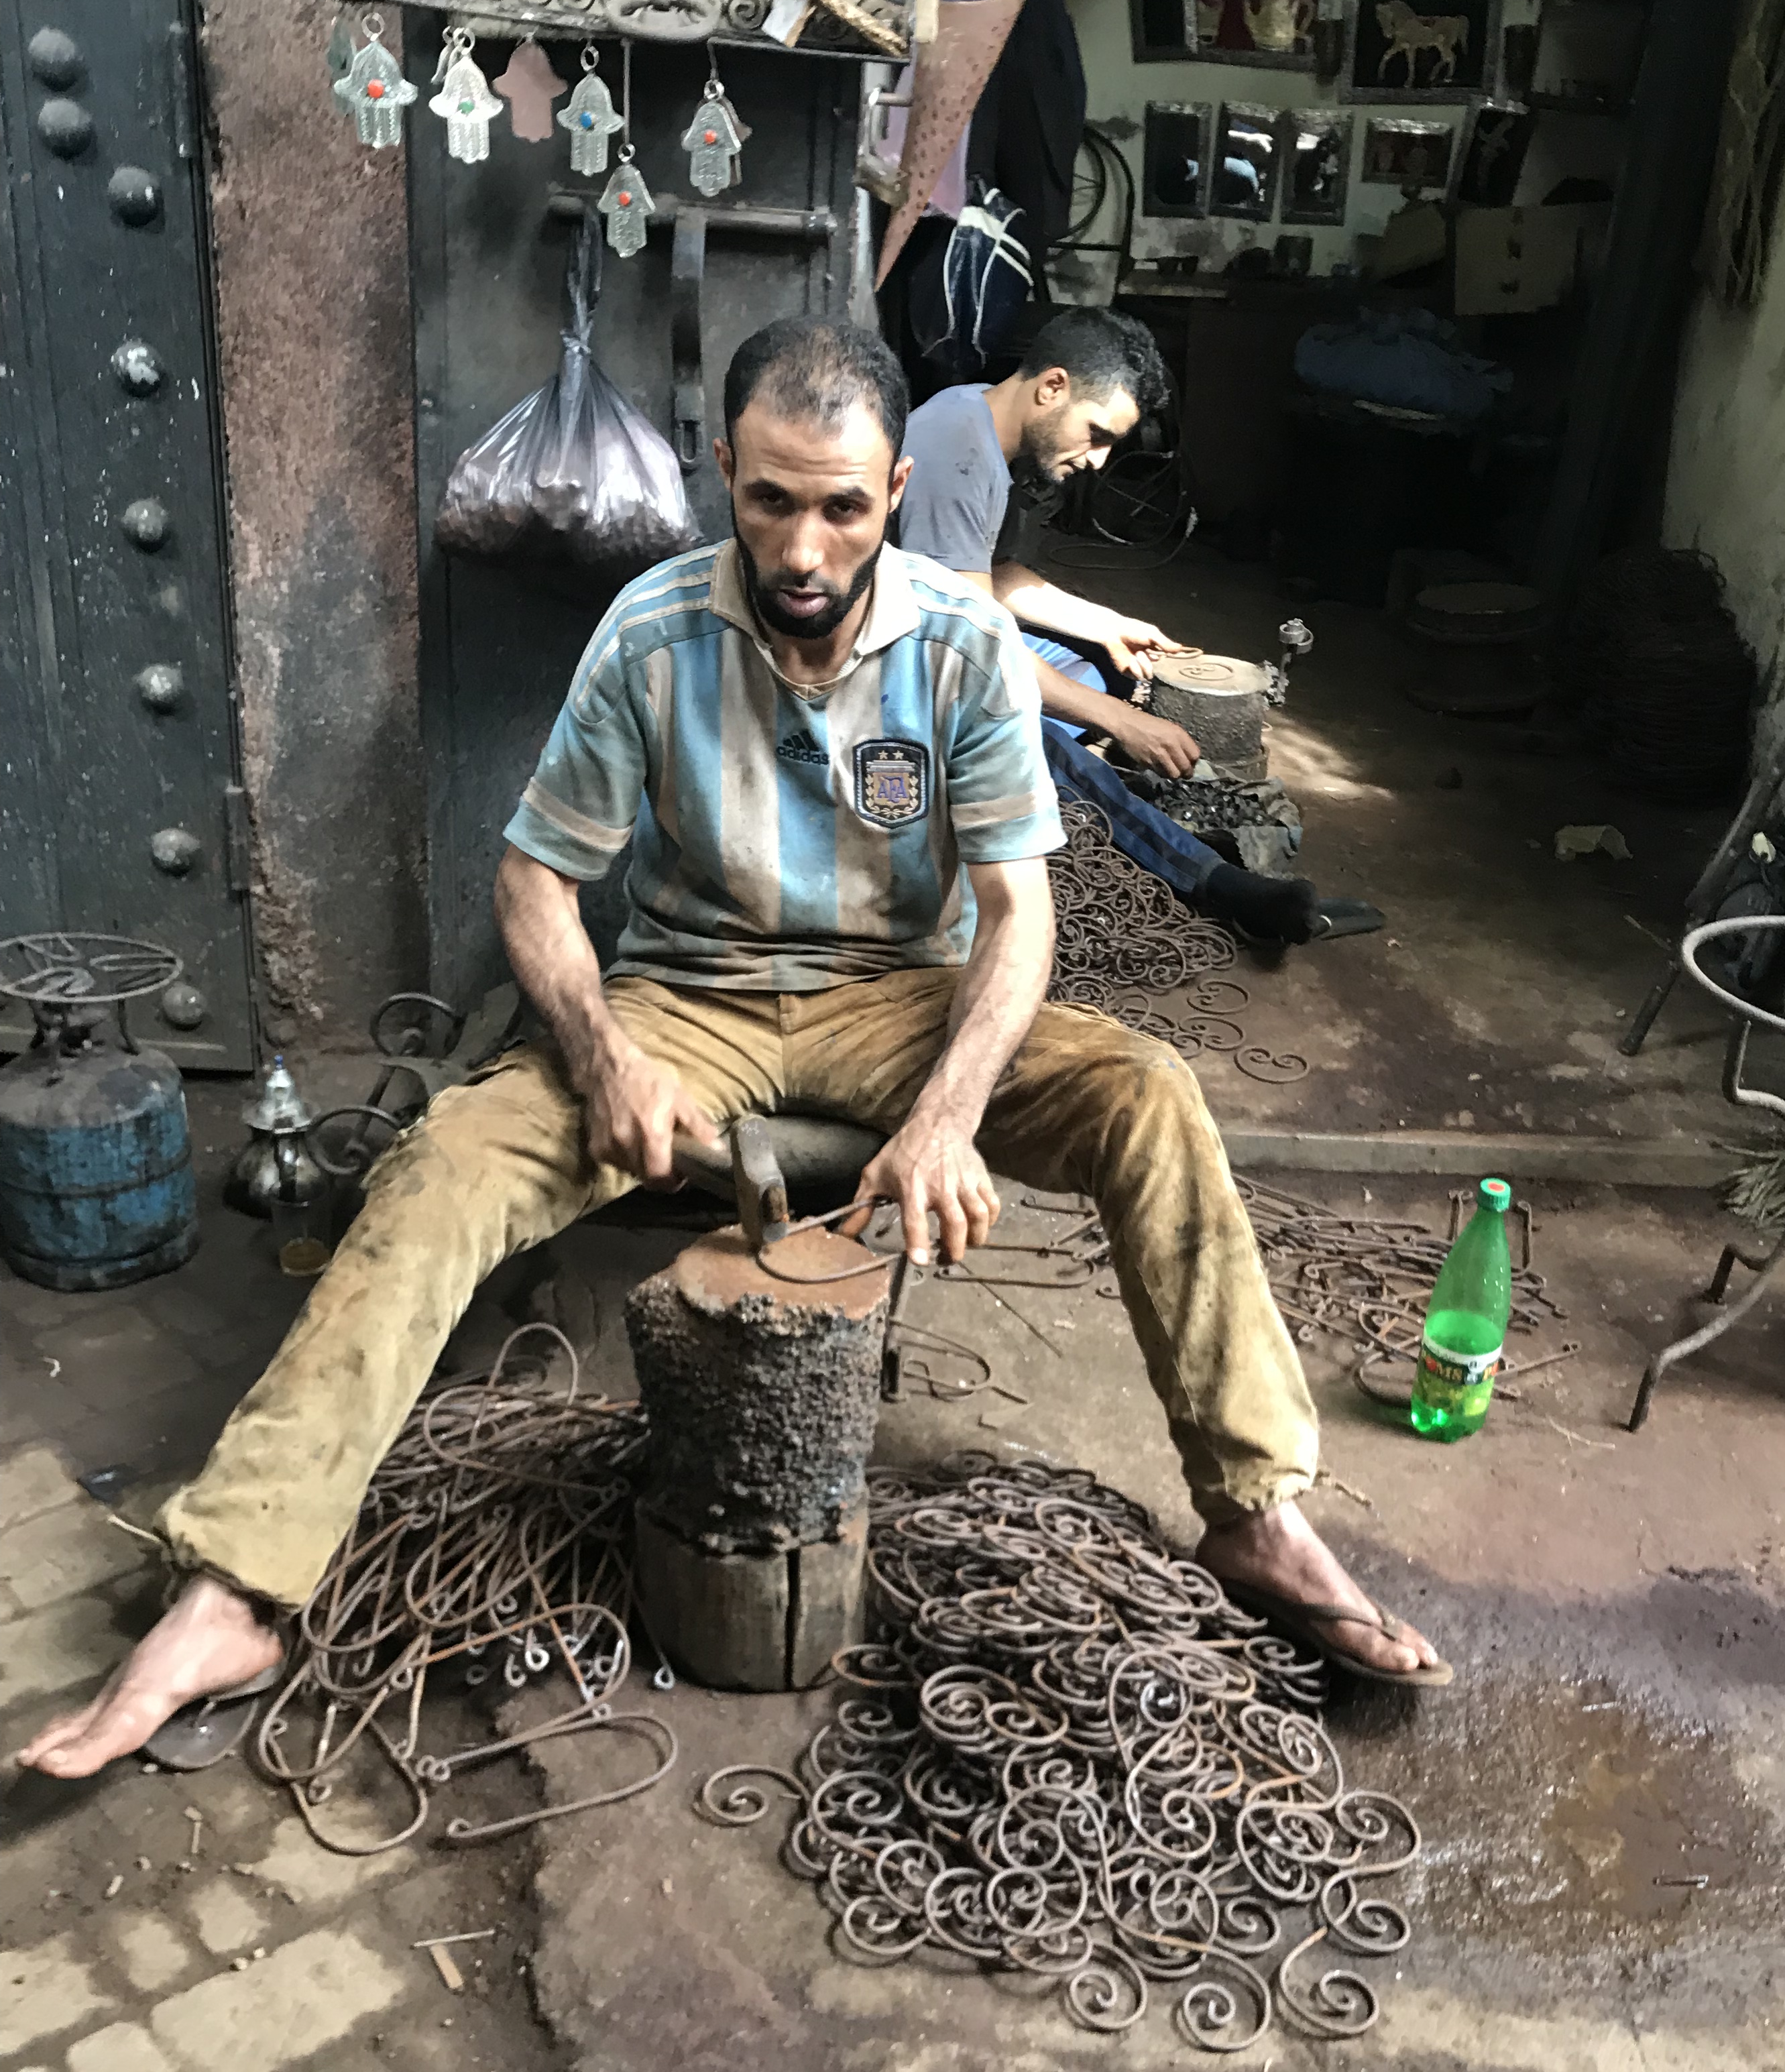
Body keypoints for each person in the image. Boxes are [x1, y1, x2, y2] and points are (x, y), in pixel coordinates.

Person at [15, 319, 1448, 1782]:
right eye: (770, 501)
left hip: (901, 996)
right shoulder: (650, 634)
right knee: (448, 1158)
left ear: (896, 489)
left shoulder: (961, 646)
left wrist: (947, 1113)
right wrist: (603, 1057)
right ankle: (236, 1587)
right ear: (723, 473)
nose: (805, 548)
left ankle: (1255, 1513)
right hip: (687, 997)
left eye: (842, 507)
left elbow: (1020, 915)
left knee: (1147, 1095)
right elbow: (533, 881)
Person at [897, 306, 1381, 946]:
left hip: (946, 626)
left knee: (1108, 669)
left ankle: (1084, 782)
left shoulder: (978, 413)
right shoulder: (957, 456)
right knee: (1017, 729)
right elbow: (973, 650)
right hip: (897, 662)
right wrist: (1119, 722)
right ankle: (1216, 882)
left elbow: (988, 572)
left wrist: (1108, 624)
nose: (1099, 461)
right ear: (1053, 387)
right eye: (1096, 434)